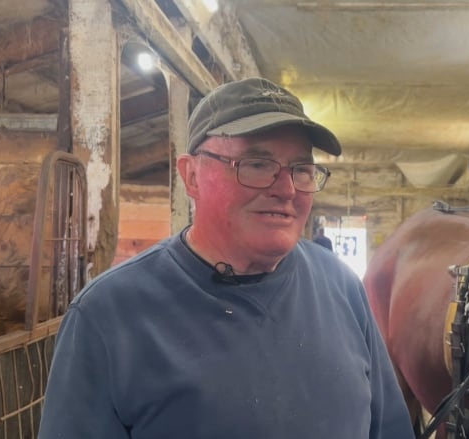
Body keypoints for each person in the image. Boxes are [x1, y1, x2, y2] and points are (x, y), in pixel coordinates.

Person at [38, 77, 415, 439]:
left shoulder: (341, 285)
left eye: (301, 170)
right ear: (192, 176)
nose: (286, 189)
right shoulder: (109, 315)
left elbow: (390, 430)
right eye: (255, 164)